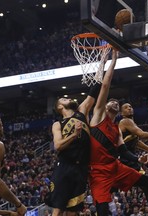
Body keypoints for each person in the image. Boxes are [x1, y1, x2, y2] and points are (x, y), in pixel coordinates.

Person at [88, 49, 148, 216]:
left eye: (115, 102)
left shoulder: (117, 129)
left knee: (146, 180)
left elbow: (124, 152)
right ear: (105, 107)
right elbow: (105, 85)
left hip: (115, 167)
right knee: (103, 209)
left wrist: (138, 158)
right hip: (98, 173)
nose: (113, 102)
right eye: (110, 101)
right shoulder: (98, 116)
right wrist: (111, 61)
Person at [46, 62, 103, 216]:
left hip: (81, 168)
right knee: (58, 209)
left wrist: (103, 62)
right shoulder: (57, 124)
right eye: (64, 99)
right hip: (65, 166)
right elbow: (58, 146)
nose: (68, 98)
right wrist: (73, 134)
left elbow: (95, 89)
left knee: (75, 211)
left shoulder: (82, 111)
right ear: (59, 107)